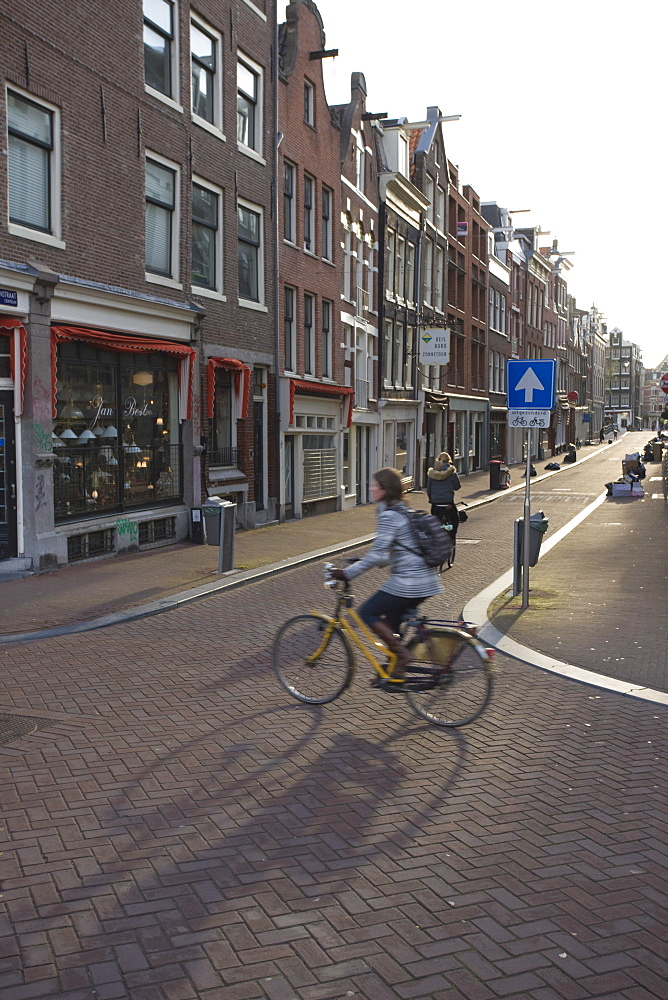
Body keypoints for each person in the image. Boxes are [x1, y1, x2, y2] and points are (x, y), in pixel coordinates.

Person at [329, 467, 442, 683]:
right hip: (426, 580)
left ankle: (403, 655)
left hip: (410, 582)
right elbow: (391, 554)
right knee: (391, 622)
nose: (371, 488)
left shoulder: (389, 516)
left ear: (384, 490)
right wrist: (363, 561)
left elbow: (377, 554)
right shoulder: (402, 511)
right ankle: (393, 672)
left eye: (375, 485)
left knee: (367, 613)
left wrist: (347, 573)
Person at [426, 451, 462, 544]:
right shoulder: (451, 472)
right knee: (455, 519)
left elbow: (428, 489)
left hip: (435, 504)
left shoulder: (432, 473)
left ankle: (435, 539)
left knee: (434, 523)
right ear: (449, 461)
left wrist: (432, 499)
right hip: (448, 503)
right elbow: (457, 486)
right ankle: (451, 538)